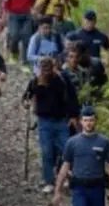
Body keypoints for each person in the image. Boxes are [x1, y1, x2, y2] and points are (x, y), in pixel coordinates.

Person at [22, 57, 75, 193]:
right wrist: (27, 103)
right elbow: (26, 96)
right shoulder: (35, 81)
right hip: (44, 121)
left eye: (48, 69)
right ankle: (48, 180)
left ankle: (65, 178)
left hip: (61, 120)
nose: (45, 72)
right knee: (47, 151)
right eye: (43, 69)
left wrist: (74, 115)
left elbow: (72, 97)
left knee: (65, 150)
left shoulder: (61, 80)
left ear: (53, 67)